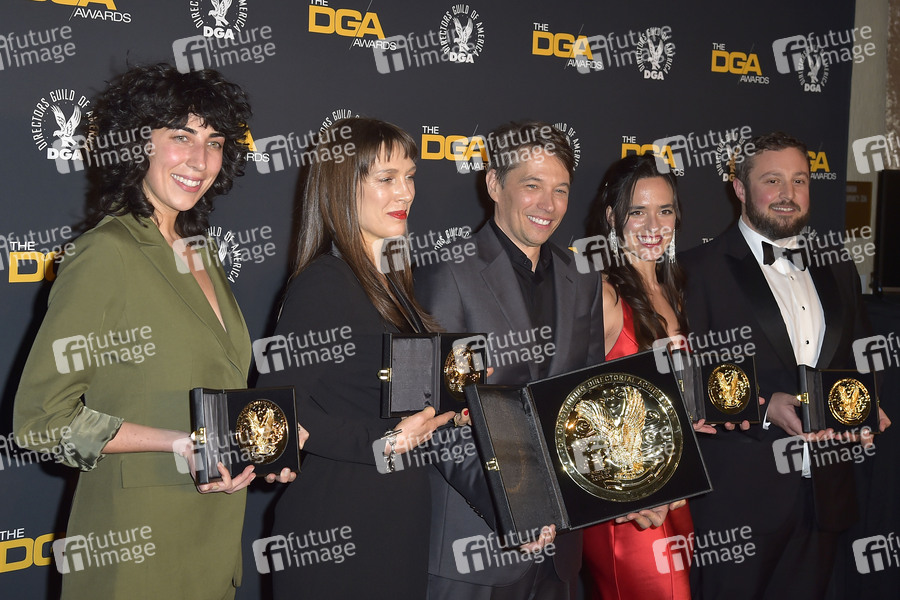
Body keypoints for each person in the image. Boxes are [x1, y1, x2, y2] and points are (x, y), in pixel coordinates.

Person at [12, 63, 295, 599]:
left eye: (214, 142)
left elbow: (212, 391)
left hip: (212, 546)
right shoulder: (107, 253)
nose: (200, 160)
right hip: (134, 557)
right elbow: (42, 423)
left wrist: (269, 441)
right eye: (181, 137)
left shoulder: (201, 254)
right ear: (136, 143)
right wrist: (176, 444)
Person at [416, 122, 677, 600]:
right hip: (477, 549)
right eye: (532, 185)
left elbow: (591, 403)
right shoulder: (447, 273)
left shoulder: (581, 277)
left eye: (560, 190)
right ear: (494, 184)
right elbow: (435, 422)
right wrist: (517, 509)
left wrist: (629, 489)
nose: (548, 205)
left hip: (560, 555)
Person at [678, 132, 891, 599]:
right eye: (772, 180)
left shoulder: (838, 267)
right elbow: (684, 382)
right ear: (739, 188)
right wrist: (763, 406)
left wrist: (865, 406)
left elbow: (859, 355)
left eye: (799, 180)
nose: (788, 194)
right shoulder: (696, 270)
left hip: (824, 498)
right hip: (737, 506)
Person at [257, 117, 456, 599]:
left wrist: (455, 397)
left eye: (409, 177)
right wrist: (384, 442)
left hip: (396, 523)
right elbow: (275, 412)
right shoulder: (325, 282)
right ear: (344, 186)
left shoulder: (393, 279)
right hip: (336, 530)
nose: (405, 192)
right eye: (386, 178)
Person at [580, 153, 704, 599]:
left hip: (674, 489)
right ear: (613, 217)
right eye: (638, 211)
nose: (654, 225)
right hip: (628, 506)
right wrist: (627, 486)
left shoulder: (672, 289)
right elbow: (575, 404)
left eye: (665, 210)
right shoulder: (604, 294)